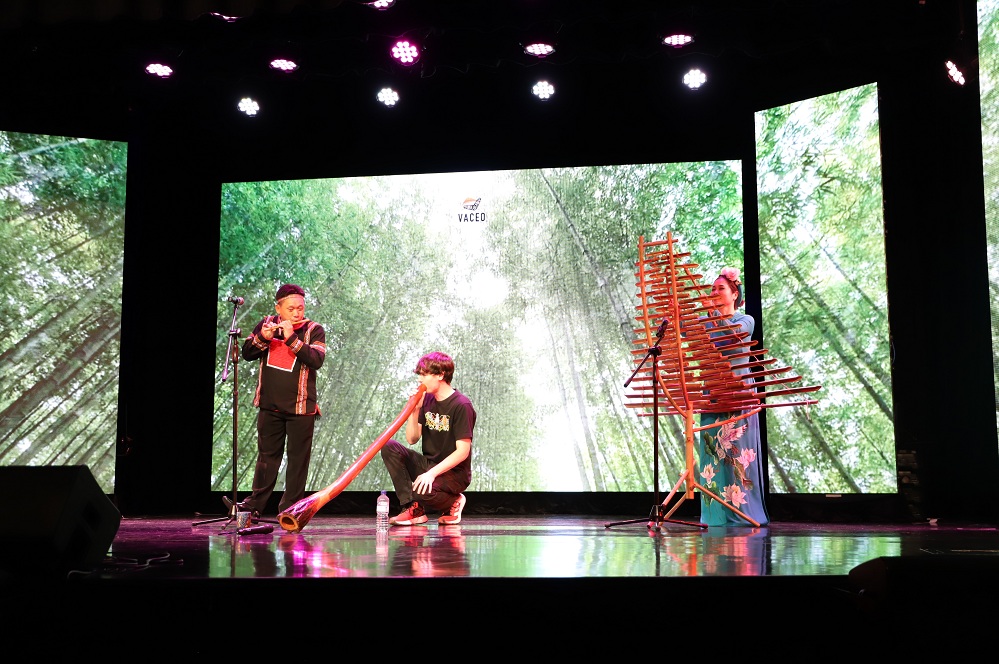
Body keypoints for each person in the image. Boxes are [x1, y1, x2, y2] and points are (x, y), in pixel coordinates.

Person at [226, 283, 326, 517]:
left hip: (301, 408)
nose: (296, 313)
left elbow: (316, 359)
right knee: (267, 459)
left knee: (297, 462)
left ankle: (291, 510)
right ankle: (253, 507)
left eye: (300, 308)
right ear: (278, 308)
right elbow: (247, 353)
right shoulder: (266, 323)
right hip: (269, 406)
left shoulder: (314, 329)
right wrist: (264, 337)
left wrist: (291, 339)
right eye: (291, 309)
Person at [696, 267, 769, 527]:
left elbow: (734, 336)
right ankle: (715, 515)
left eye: (721, 288)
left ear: (735, 294)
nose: (715, 292)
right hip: (713, 393)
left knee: (738, 454)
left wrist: (714, 315)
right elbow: (684, 330)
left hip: (739, 394)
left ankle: (743, 514)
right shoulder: (705, 323)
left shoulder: (745, 319)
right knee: (712, 453)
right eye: (712, 289)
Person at [381, 351, 475, 526]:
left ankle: (454, 501)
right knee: (389, 446)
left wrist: (431, 474)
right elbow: (412, 439)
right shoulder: (428, 400)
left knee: (421, 492)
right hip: (429, 464)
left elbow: (462, 452)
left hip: (454, 473)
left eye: (424, 375)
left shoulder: (461, 405)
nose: (420, 380)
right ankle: (412, 508)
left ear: (440, 375)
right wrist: (415, 409)